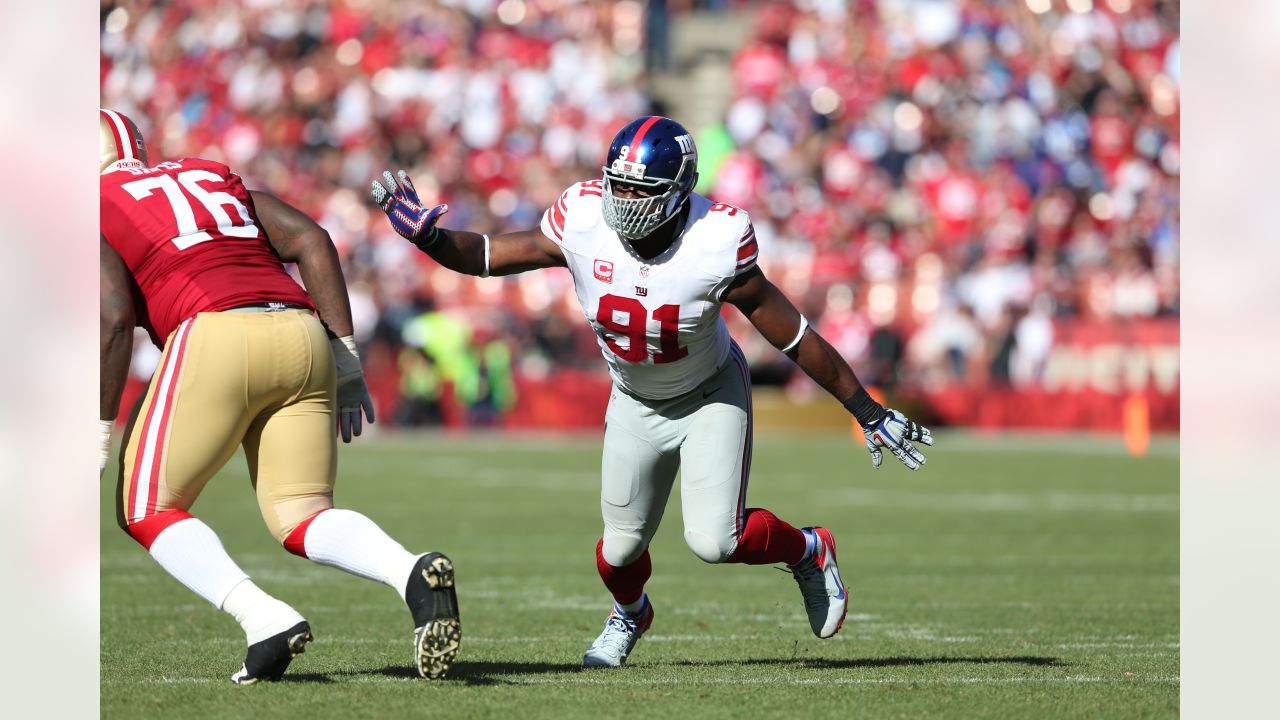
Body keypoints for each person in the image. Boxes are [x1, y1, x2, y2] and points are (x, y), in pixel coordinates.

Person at [372, 115, 933, 668]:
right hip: (634, 400)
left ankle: (811, 549)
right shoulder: (584, 216)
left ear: (678, 193)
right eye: (617, 185)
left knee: (716, 541)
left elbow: (793, 335)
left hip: (710, 393)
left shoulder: (716, 238)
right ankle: (631, 613)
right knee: (618, 551)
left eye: (640, 190)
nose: (622, 201)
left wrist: (865, 409)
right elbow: (490, 256)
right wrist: (433, 239)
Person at [98, 109, 460, 683]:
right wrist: (345, 358)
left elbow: (114, 316)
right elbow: (312, 239)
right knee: (302, 513)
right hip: (300, 331)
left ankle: (263, 617)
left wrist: (98, 425)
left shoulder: (94, 200)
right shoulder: (207, 173)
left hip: (214, 331)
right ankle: (410, 571)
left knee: (146, 507)